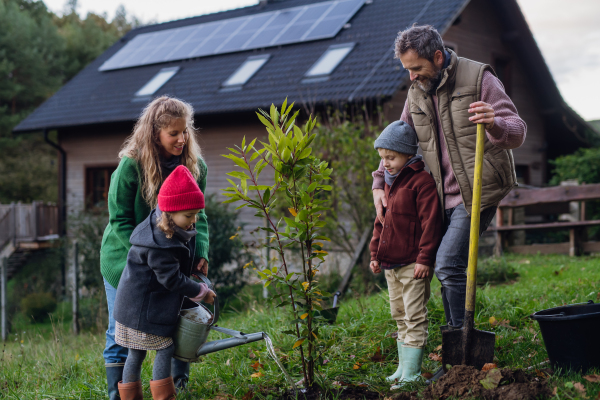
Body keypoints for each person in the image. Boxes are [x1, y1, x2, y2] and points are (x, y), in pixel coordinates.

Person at [372, 25, 526, 383]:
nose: (411, 76)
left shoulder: (478, 77)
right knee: (446, 266)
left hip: (478, 190)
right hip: (439, 195)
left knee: (446, 262)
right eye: (407, 69)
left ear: (438, 58)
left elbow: (517, 129)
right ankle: (457, 344)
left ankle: (460, 352)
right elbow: (400, 140)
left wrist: (495, 122)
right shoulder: (416, 93)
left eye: (417, 68)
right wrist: (380, 181)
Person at [100, 96, 210, 399]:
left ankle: (178, 383)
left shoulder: (194, 165)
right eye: (173, 133)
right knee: (121, 327)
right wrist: (146, 255)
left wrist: (200, 250)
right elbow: (119, 219)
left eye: (184, 131)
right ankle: (116, 392)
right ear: (154, 133)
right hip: (125, 257)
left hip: (172, 257)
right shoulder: (131, 165)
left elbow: (200, 212)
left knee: (177, 318)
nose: (181, 138)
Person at [114, 165, 216, 400]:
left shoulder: (166, 228)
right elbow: (171, 279)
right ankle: (164, 397)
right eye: (189, 215)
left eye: (196, 214)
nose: (194, 221)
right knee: (165, 347)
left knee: (136, 353)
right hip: (142, 310)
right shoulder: (158, 244)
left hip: (134, 306)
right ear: (170, 212)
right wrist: (201, 292)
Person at [369, 120, 442, 388]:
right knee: (398, 313)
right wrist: (375, 253)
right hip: (391, 264)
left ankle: (412, 373)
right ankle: (403, 368)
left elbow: (431, 224)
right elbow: (381, 222)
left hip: (413, 265)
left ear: (408, 154)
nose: (384, 163)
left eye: (391, 157)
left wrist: (424, 259)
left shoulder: (421, 183)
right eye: (382, 158)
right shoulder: (389, 183)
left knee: (414, 316)